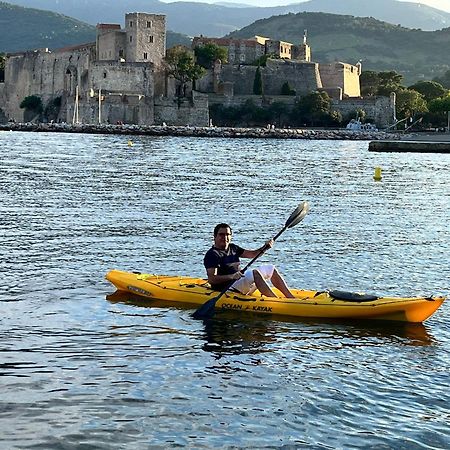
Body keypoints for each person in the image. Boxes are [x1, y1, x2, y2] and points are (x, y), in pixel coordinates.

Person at [204, 223, 295, 298]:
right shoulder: (212, 254)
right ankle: (275, 301)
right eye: (221, 234)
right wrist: (231, 276)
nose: (225, 237)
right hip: (227, 288)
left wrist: (265, 247)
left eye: (227, 234)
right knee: (254, 273)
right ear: (215, 236)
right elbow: (212, 279)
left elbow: (253, 254)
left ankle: (291, 298)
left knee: (270, 268)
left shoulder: (233, 248)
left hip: (238, 283)